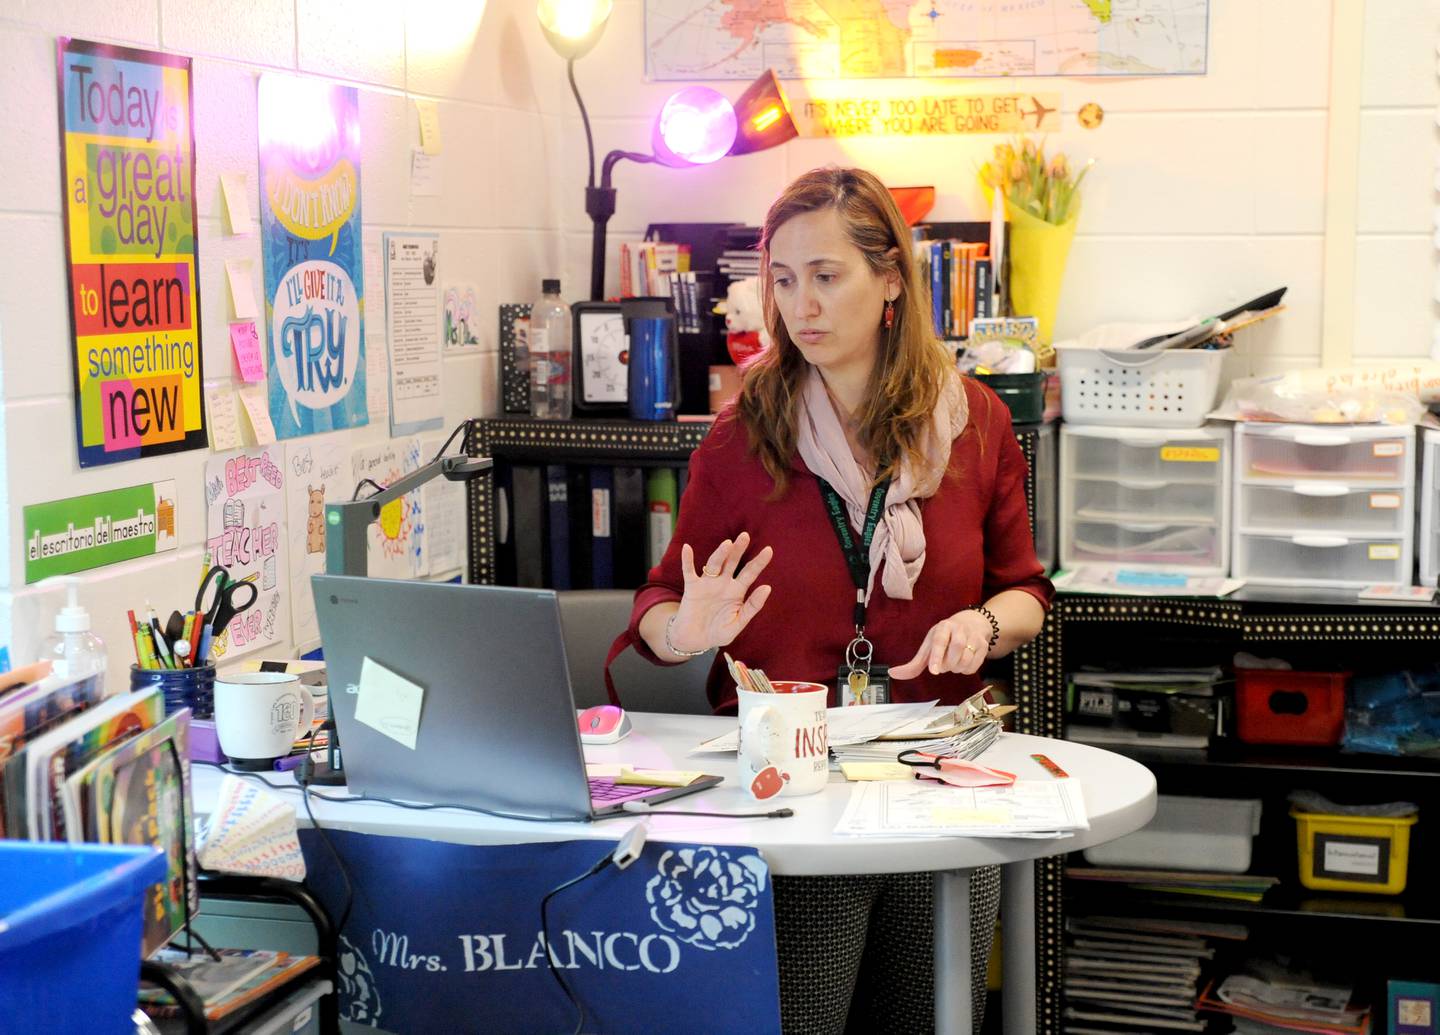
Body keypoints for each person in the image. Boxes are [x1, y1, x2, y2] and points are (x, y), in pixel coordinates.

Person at [619, 166, 1053, 1033]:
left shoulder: (975, 422)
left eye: (826, 275)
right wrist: (684, 630)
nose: (800, 305)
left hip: (937, 773)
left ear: (891, 277)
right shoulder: (745, 436)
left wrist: (982, 622)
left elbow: (1027, 592)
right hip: (797, 781)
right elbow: (661, 604)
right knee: (805, 1017)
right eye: (782, 280)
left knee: (931, 1018)